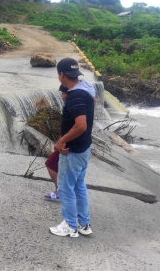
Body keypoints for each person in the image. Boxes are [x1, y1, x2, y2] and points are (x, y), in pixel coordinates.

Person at [49, 57, 95, 238]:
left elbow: (81, 125)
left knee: (65, 187)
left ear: (61, 75)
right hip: (84, 147)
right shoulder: (86, 88)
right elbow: (92, 107)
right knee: (78, 186)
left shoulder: (75, 96)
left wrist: (62, 141)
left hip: (73, 150)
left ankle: (69, 226)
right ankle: (84, 224)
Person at [44, 83, 96, 201]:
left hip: (70, 145)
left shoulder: (75, 103)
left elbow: (79, 127)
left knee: (51, 164)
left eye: (63, 93)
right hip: (81, 144)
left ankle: (60, 192)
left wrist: (62, 141)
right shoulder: (85, 101)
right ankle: (82, 215)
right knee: (78, 181)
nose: (62, 96)